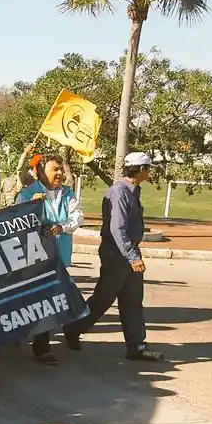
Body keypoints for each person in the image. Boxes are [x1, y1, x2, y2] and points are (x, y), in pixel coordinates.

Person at [63, 152, 162, 361]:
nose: (149, 172)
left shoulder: (132, 191)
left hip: (128, 251)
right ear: (141, 169)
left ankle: (137, 346)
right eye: (148, 168)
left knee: (133, 300)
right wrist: (133, 256)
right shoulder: (119, 192)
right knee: (103, 299)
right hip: (117, 254)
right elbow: (118, 228)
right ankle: (74, 328)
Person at [17, 155, 84, 366]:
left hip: (58, 258)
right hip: (32, 259)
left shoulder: (68, 194)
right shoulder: (27, 193)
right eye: (55, 169)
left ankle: (42, 347)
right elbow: (16, 221)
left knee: (49, 301)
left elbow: (77, 216)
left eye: (61, 169)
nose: (60, 173)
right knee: (29, 300)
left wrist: (62, 227)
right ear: (40, 171)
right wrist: (32, 206)